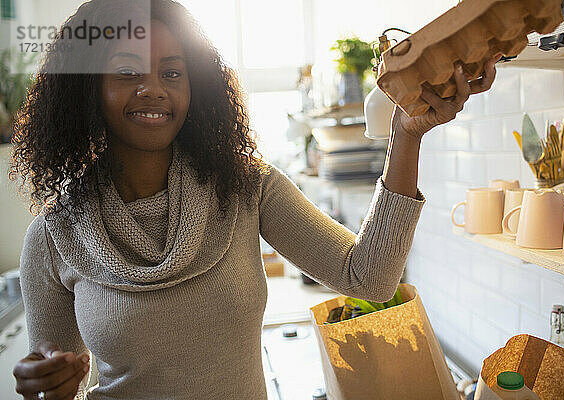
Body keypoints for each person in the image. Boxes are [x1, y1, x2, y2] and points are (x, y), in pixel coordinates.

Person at [9, 0, 499, 399]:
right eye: (126, 72)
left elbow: (369, 277)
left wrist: (406, 138)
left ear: (195, 85)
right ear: (86, 89)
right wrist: (47, 388)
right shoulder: (55, 236)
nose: (153, 89)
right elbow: (58, 381)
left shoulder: (246, 188)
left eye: (173, 73)